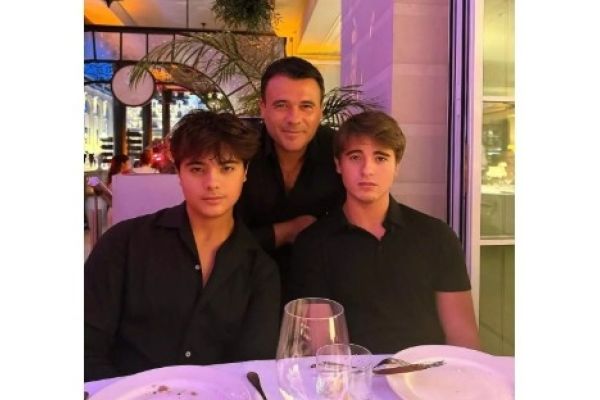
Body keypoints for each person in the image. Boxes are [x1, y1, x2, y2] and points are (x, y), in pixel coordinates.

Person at [85, 111, 281, 381]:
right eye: (197, 169)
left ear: (245, 172)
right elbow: (86, 347)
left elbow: (251, 371)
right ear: (178, 172)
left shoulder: (260, 271)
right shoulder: (124, 244)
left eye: (227, 168)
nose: (212, 183)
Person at [288, 111, 480, 353]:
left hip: (430, 372)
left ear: (396, 165)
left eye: (380, 158)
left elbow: (463, 337)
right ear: (338, 164)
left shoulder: (437, 236)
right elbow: (324, 348)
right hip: (352, 372)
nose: (367, 170)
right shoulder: (313, 243)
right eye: (355, 157)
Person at [236, 56, 345, 299]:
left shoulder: (340, 151)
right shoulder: (239, 153)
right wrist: (286, 231)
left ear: (320, 111)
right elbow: (222, 238)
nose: (294, 119)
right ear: (263, 108)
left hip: (324, 287)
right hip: (246, 285)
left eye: (306, 106)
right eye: (281, 105)